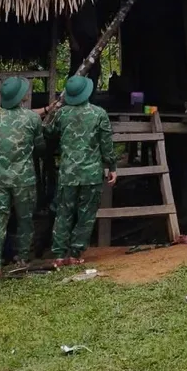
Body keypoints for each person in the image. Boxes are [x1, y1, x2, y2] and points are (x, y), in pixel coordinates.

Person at [0, 77, 45, 279]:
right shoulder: (32, 119)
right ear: (21, 97)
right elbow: (40, 147)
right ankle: (23, 259)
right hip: (24, 179)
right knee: (25, 221)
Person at [47, 75, 117, 266]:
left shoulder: (62, 114)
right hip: (91, 174)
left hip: (68, 173)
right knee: (86, 215)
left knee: (63, 213)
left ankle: (59, 255)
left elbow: (50, 133)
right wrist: (112, 166)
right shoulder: (99, 114)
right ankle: (76, 254)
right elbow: (106, 144)